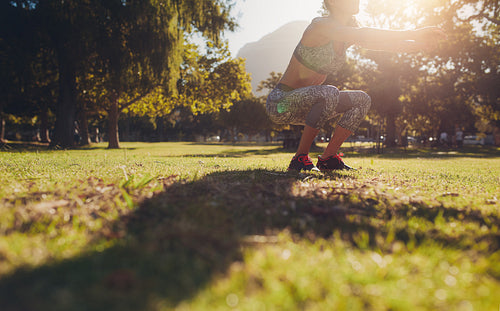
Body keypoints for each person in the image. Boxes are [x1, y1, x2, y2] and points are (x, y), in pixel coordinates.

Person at [266, 0, 447, 171]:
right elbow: (363, 34)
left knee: (361, 99)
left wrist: (421, 44)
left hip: (313, 103)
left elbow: (384, 44)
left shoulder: (346, 33)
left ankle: (328, 158)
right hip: (282, 102)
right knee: (330, 92)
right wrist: (414, 32)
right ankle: (300, 158)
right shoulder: (321, 26)